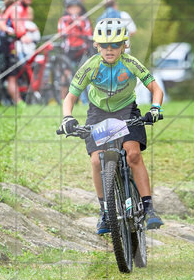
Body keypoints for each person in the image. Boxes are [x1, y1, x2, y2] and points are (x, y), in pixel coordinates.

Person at [60, 18, 164, 234]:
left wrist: (155, 108)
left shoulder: (131, 63)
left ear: (124, 45)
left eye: (115, 45)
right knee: (97, 160)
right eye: (104, 45)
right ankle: (105, 212)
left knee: (133, 154)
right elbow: (70, 97)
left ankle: (148, 208)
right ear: (96, 45)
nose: (110, 49)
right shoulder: (90, 65)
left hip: (127, 110)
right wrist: (67, 118)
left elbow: (156, 89)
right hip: (97, 113)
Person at [2, 0, 37, 105]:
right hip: (7, 44)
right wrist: (23, 35)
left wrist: (26, 30)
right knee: (12, 74)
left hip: (13, 43)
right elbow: (16, 24)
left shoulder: (23, 9)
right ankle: (18, 102)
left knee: (18, 71)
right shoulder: (17, 8)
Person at [56, 0, 92, 100]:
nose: (74, 10)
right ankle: (63, 99)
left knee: (85, 74)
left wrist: (79, 25)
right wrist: (72, 24)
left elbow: (88, 33)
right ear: (67, 9)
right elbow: (61, 32)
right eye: (71, 7)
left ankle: (86, 100)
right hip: (68, 51)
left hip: (82, 50)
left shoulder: (84, 20)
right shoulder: (63, 20)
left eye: (76, 7)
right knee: (65, 74)